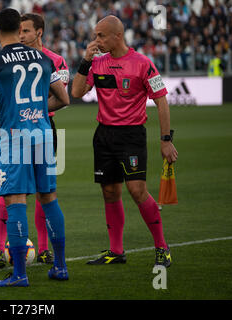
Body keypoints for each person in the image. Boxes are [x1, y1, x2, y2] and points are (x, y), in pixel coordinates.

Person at [0, 8, 70, 287]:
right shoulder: (43, 57)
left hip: (15, 138)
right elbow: (63, 98)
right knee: (49, 198)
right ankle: (60, 267)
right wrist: (36, 109)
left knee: (15, 201)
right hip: (42, 135)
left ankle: (19, 275)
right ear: (19, 28)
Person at [71, 15, 178, 267]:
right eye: (95, 35)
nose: (96, 40)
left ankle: (162, 247)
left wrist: (166, 140)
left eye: (101, 35)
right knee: (109, 191)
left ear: (117, 36)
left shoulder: (143, 64)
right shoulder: (97, 64)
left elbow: (161, 100)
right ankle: (116, 251)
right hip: (104, 135)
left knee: (136, 190)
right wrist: (86, 60)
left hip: (131, 135)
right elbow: (75, 92)